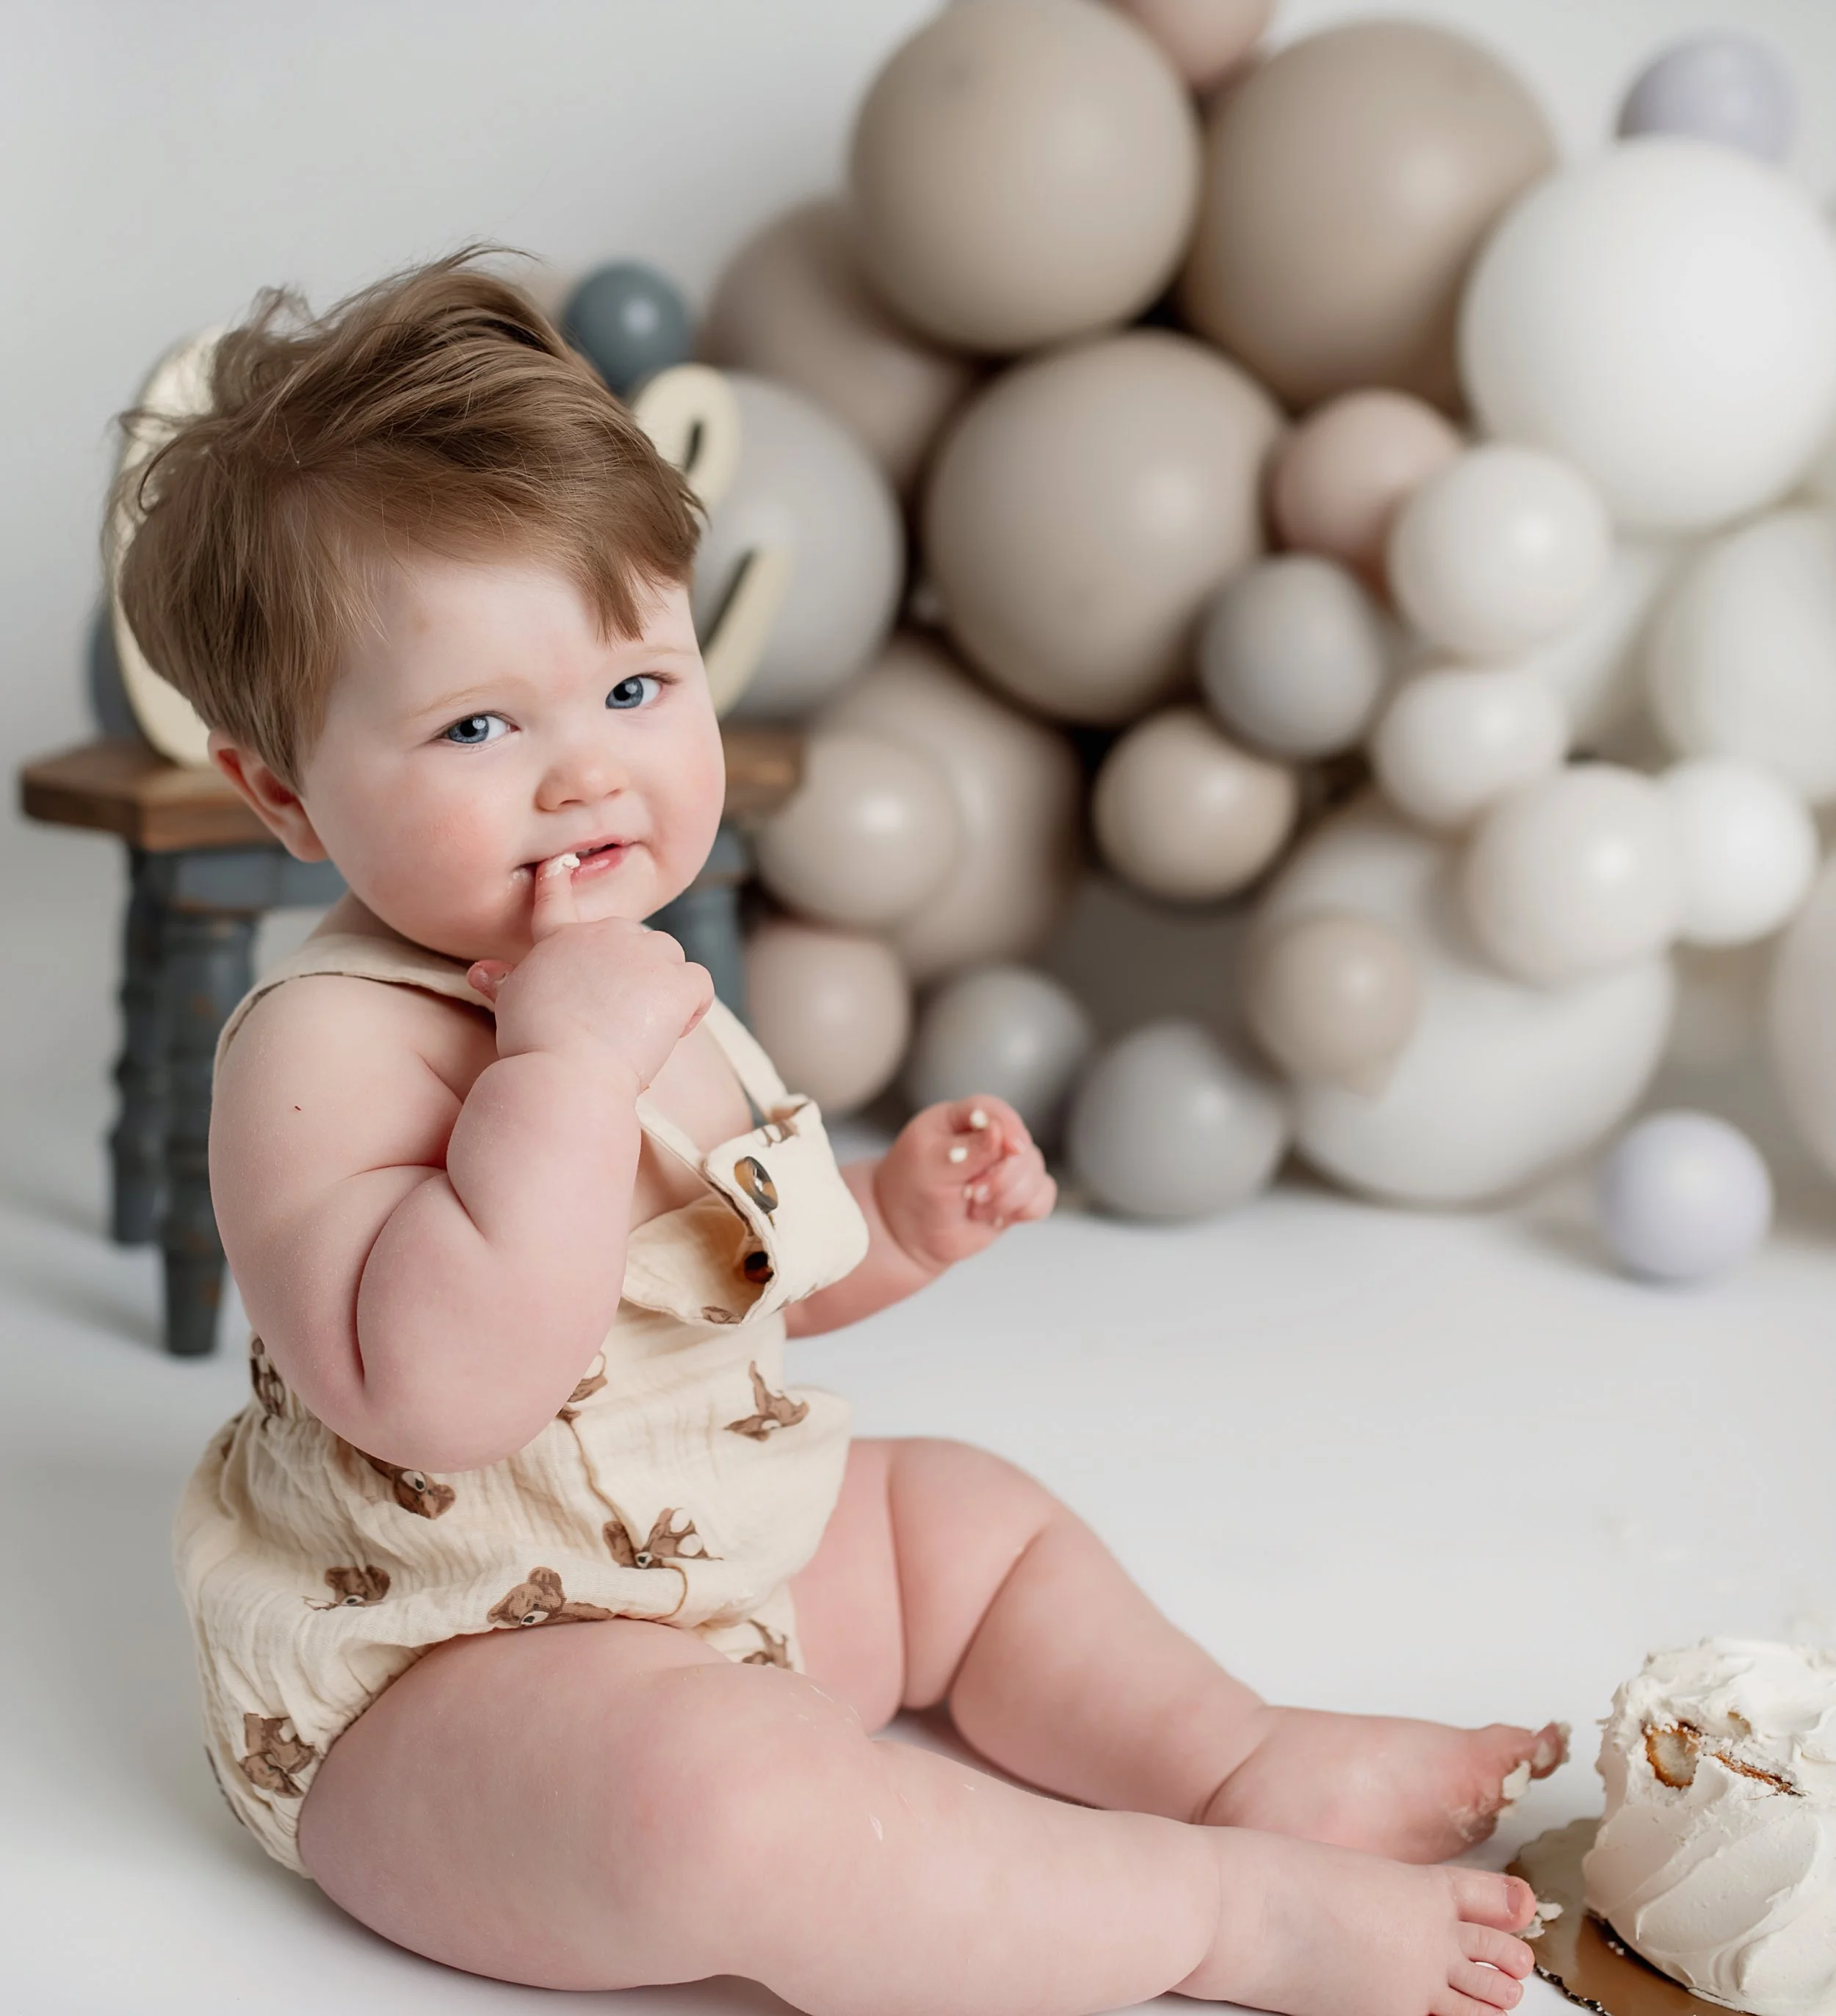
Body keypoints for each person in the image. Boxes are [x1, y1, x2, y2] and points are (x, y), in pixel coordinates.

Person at [120, 250, 1561, 2016]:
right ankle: (1211, 1917)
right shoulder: (324, 1053)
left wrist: (888, 1220)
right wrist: (555, 1078)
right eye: (481, 724)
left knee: (969, 1522)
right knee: (721, 1805)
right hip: (444, 1677)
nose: (585, 772)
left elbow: (743, 1287)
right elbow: (446, 1393)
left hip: (715, 1575)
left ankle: (1236, 1759)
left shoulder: (637, 984)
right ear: (282, 790)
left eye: (635, 689)